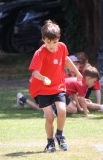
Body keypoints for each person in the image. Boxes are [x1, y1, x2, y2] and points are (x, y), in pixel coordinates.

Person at [17, 20, 82, 153]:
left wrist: (77, 71)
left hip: (58, 86)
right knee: (49, 117)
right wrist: (44, 78)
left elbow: (66, 59)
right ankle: (50, 142)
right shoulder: (39, 53)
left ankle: (60, 135)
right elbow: (35, 72)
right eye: (48, 42)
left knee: (62, 111)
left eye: (54, 42)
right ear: (43, 39)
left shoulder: (62, 47)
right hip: (42, 89)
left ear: (58, 39)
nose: (51, 46)